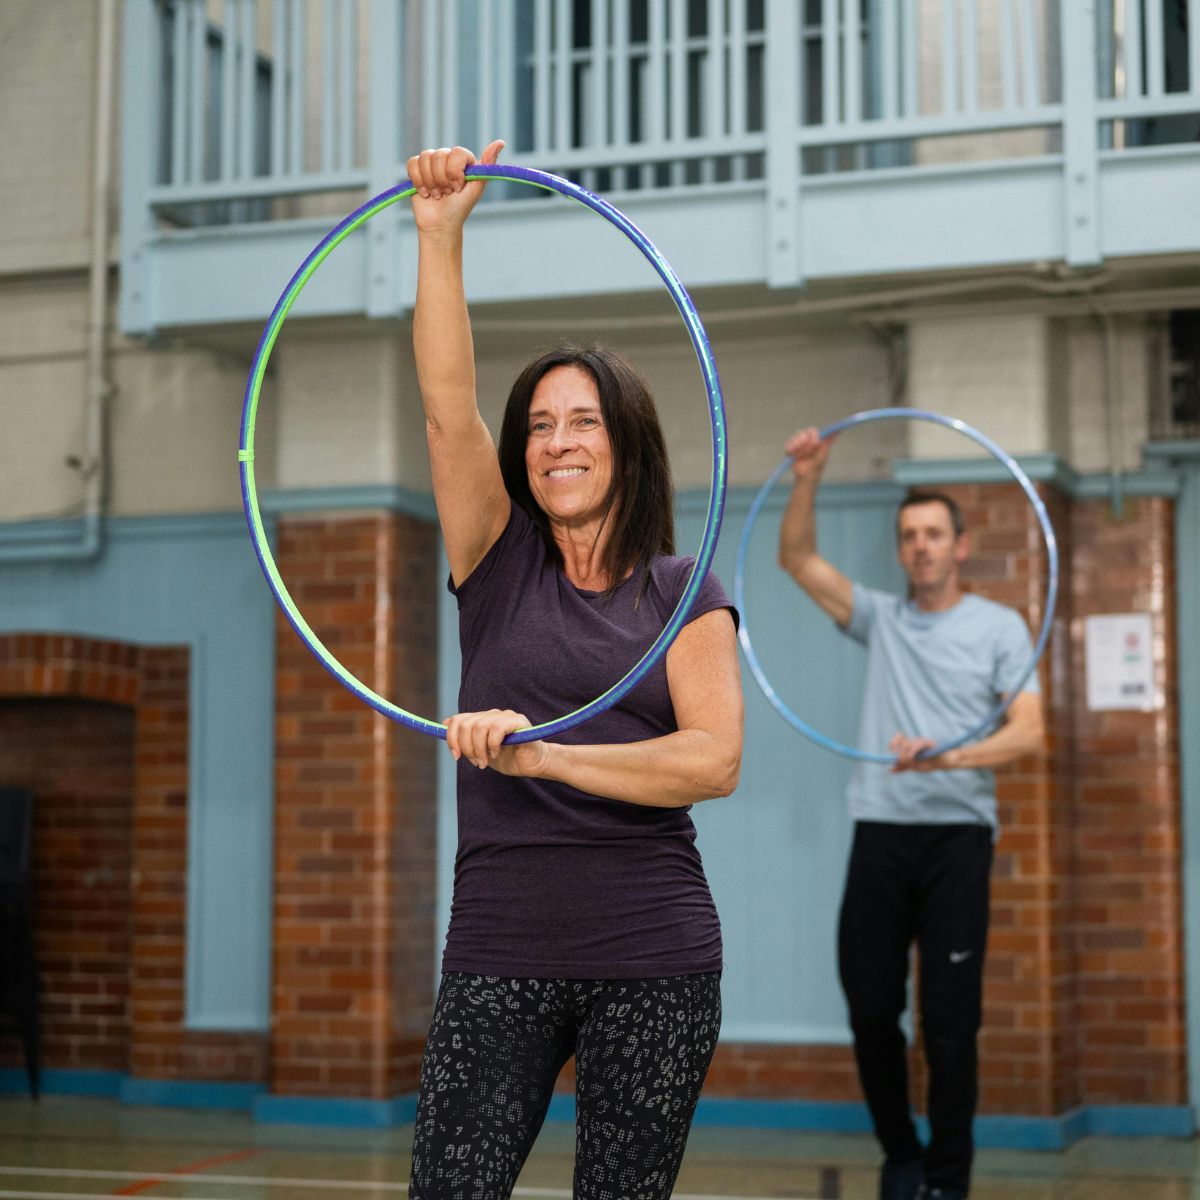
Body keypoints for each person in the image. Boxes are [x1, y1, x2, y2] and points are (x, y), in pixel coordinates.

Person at [405, 141, 744, 1200]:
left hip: (657, 953)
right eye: (540, 426)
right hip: (498, 947)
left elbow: (711, 760)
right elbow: (447, 408)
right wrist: (440, 237)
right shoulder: (496, 564)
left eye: (582, 422)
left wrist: (545, 758)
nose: (557, 442)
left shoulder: (686, 590)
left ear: (627, 448)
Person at [778, 428, 1045, 1200]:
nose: (920, 547)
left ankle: (949, 1179)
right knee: (869, 1008)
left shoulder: (998, 627)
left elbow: (1028, 732)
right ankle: (901, 1152)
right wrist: (808, 478)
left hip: (958, 836)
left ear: (960, 546)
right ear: (901, 551)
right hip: (882, 831)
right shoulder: (882, 619)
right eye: (908, 537)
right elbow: (796, 561)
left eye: (933, 534)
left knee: (951, 1025)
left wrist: (947, 757)